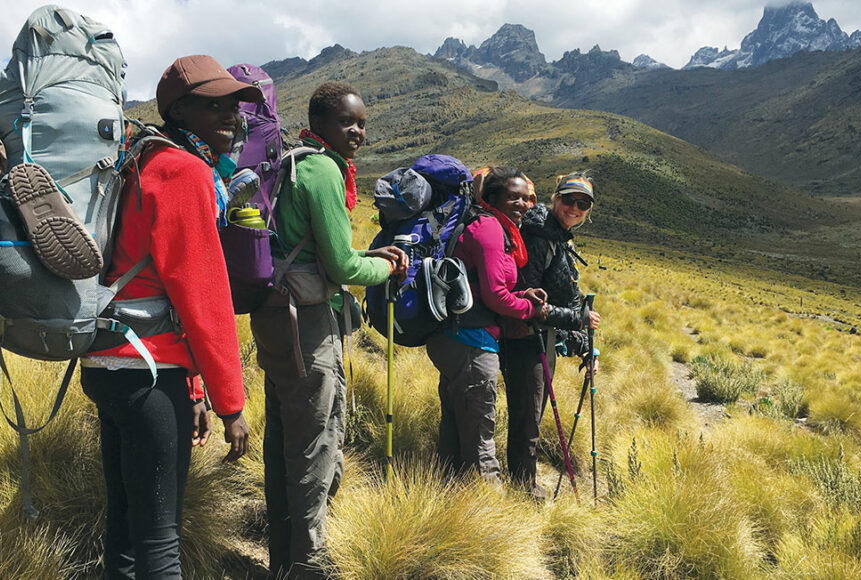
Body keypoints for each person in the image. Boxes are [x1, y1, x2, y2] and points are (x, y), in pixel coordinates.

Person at [80, 55, 259, 579]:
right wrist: (232, 405)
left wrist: (196, 392)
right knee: (160, 543)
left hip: (110, 363)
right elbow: (202, 301)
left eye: (234, 106)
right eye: (214, 106)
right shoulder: (184, 171)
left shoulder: (141, 159)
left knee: (126, 529)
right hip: (150, 375)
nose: (231, 117)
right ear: (179, 109)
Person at [250, 81, 407, 579]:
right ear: (320, 124)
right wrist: (386, 269)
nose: (357, 131)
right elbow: (340, 268)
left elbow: (320, 253)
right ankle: (311, 564)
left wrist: (367, 255)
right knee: (317, 445)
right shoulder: (322, 170)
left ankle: (282, 559)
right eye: (347, 122)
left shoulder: (293, 162)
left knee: (282, 441)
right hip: (310, 327)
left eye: (361, 123)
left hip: (277, 315)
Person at [425, 166, 549, 483]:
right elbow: (495, 297)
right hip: (472, 343)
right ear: (493, 197)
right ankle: (491, 518)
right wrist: (529, 310)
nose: (522, 204)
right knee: (481, 441)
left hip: (453, 337)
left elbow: (484, 286)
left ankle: (449, 501)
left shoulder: (486, 225)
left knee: (454, 430)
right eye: (513, 197)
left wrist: (522, 294)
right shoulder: (491, 230)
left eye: (526, 198)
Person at [501, 171, 602, 499]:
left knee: (531, 414)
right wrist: (579, 318)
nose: (575, 207)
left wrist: (586, 346)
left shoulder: (559, 236)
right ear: (556, 197)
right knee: (527, 419)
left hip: (542, 338)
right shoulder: (541, 236)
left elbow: (567, 296)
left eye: (582, 203)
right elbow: (528, 299)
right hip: (526, 339)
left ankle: (522, 481)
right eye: (569, 199)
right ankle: (524, 489)